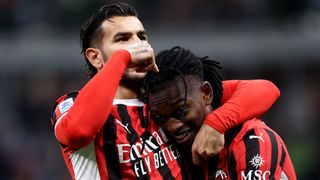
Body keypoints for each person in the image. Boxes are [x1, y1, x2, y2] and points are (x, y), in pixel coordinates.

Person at [50, 2, 281, 179]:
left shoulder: (160, 98)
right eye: (123, 39)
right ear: (95, 57)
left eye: (142, 37)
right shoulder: (72, 104)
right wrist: (123, 58)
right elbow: (78, 131)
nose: (137, 44)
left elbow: (262, 90)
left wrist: (216, 124)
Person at [144, 46, 297, 180]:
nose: (172, 126)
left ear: (207, 93)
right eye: (160, 118)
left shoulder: (251, 141)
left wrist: (216, 124)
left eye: (181, 111)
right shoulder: (161, 140)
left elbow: (267, 89)